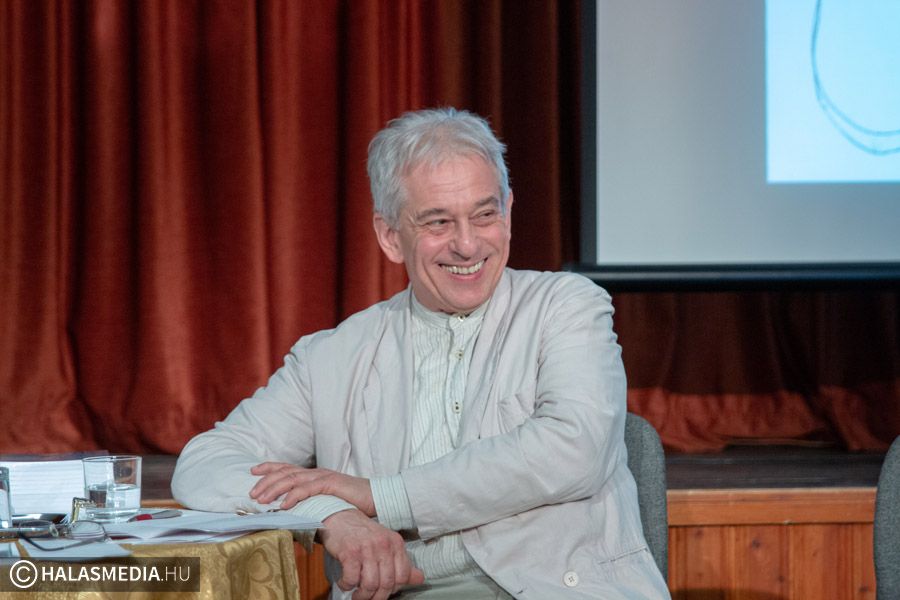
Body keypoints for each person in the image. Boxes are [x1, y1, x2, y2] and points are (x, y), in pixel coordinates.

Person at [172, 107, 670, 599]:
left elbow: (575, 449)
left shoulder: (566, 306)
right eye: (438, 223)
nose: (467, 245)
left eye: (485, 214)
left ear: (509, 212)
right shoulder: (332, 356)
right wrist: (331, 515)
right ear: (391, 237)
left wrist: (376, 496)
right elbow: (206, 463)